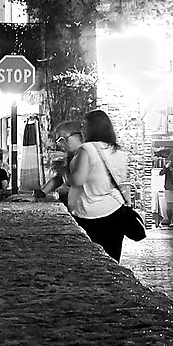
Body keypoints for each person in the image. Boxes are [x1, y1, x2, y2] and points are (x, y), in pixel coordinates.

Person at [62, 109, 132, 259]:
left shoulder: (87, 149)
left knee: (89, 261)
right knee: (112, 260)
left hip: (90, 213)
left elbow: (77, 180)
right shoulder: (117, 151)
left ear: (92, 127)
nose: (82, 130)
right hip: (115, 210)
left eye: (84, 125)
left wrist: (64, 172)